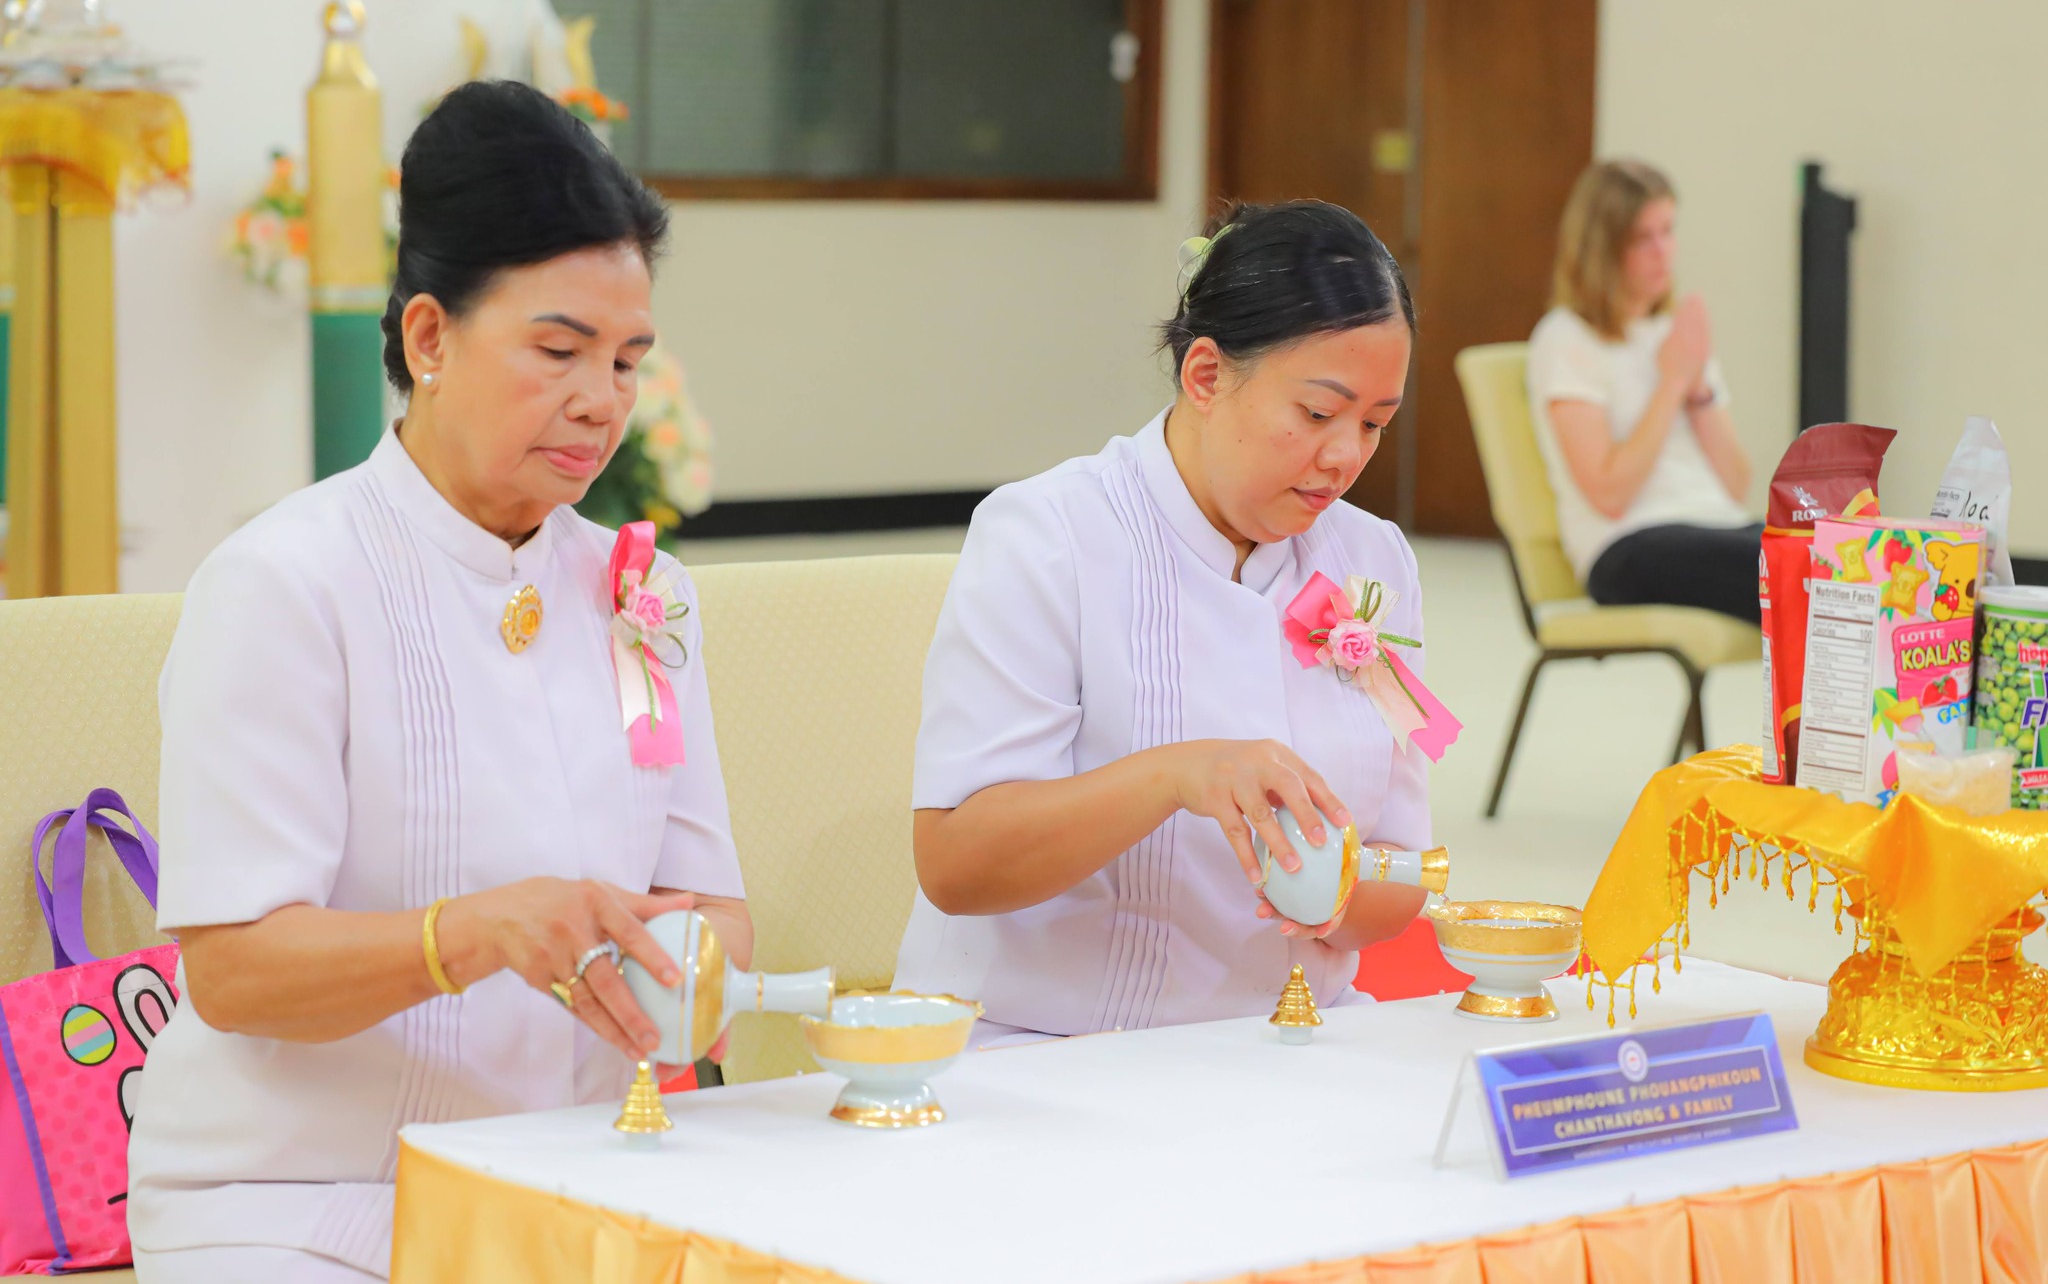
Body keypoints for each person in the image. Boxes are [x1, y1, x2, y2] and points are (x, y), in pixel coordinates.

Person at [126, 82, 751, 1282]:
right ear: (427, 338)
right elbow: (234, 971)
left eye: (626, 362)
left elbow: (707, 904)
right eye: (558, 350)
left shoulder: (643, 594)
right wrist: (469, 935)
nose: (600, 402)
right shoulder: (282, 583)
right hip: (296, 1205)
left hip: (570, 1188)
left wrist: (688, 976)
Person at [894, 201, 1433, 1043]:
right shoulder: (1049, 535)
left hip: (1288, 1042)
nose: (1345, 458)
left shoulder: (1375, 564)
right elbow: (958, 861)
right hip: (1043, 1051)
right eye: (1320, 414)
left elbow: (1405, 862)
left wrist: (1332, 893)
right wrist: (1175, 777)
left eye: (1376, 423)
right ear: (1207, 376)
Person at [1527, 159, 1759, 623]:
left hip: (1717, 524)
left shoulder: (1674, 335)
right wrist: (1672, 382)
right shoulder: (1567, 337)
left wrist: (1697, 391)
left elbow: (1735, 486)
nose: (1663, 252)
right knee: (1807, 573)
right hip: (1628, 543)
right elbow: (1610, 495)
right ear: (1601, 249)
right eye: (1641, 238)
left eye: (1668, 231)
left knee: (1844, 562)